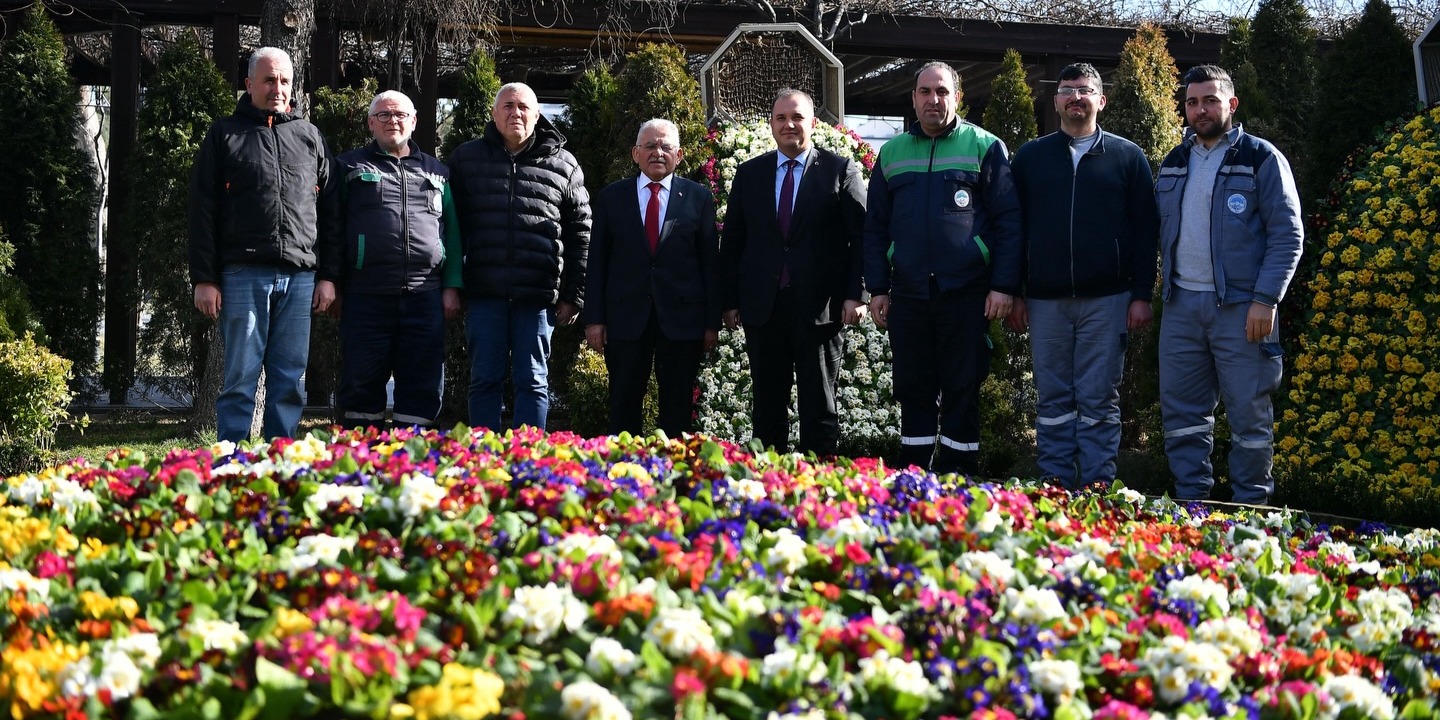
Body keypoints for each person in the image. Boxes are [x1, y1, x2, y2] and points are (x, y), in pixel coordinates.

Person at [863, 61, 1022, 476]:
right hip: (910, 294)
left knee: (961, 389)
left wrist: (1003, 285)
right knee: (913, 389)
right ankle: (913, 479)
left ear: (957, 96)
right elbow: (876, 226)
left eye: (942, 92)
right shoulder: (891, 153)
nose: (933, 100)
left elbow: (1009, 222)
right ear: (913, 98)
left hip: (967, 294)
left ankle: (958, 481)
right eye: (924, 92)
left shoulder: (985, 145)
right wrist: (878, 287)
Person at [1007, 63, 1159, 489]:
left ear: (1101, 100)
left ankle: (1097, 488)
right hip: (1044, 300)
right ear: (1055, 101)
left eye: (1085, 90)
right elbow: (1012, 228)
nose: (1076, 97)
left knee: (1098, 399)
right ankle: (1053, 485)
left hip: (1107, 300)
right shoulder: (1030, 157)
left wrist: (1141, 294)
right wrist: (1015, 291)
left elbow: (1147, 231)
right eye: (1067, 89)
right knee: (1053, 399)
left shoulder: (1128, 157)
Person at [1156, 64, 1303, 504]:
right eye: (1193, 102)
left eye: (1210, 100)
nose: (1201, 110)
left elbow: (1288, 234)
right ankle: (1192, 505)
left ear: (1232, 104)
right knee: (1182, 416)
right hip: (1181, 307)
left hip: (1242, 310)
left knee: (1249, 415)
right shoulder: (1174, 161)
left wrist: (1266, 299)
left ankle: (1251, 512)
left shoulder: (1261, 157)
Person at [189, 46, 341, 442]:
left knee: (290, 380)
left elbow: (331, 212)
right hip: (242, 274)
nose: (278, 87)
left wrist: (328, 276)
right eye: (270, 79)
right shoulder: (224, 134)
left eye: (285, 80)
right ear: (249, 83)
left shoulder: (309, 137)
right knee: (240, 377)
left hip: (301, 277)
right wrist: (204, 278)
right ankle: (233, 464)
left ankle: (283, 463)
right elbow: (202, 210)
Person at [720, 89, 868, 455]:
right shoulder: (749, 174)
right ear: (771, 124)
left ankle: (818, 490)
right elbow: (734, 241)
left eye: (797, 117)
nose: (789, 125)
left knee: (819, 406)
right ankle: (767, 487)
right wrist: (730, 300)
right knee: (767, 406)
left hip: (819, 311)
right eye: (781, 118)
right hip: (763, 310)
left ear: (812, 123)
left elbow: (862, 237)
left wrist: (857, 294)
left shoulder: (839, 169)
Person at [447, 82, 591, 431]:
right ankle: (484, 459)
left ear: (537, 115)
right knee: (484, 381)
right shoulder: (466, 159)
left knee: (533, 382)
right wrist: (452, 283)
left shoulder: (564, 164)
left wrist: (574, 295)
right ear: (494, 114)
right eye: (508, 106)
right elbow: (448, 227)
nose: (516, 113)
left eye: (524, 106)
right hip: (484, 294)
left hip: (538, 298)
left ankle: (530, 463)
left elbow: (580, 234)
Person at [333, 90, 461, 429]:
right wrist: (332, 280)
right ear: (371, 123)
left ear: (414, 121)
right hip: (365, 295)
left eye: (401, 115)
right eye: (385, 115)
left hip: (425, 296)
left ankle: (413, 460)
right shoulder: (347, 166)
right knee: (361, 381)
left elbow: (453, 232)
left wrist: (452, 286)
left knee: (423, 383)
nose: (394, 121)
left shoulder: (439, 172)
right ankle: (359, 462)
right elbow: (332, 228)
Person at [582, 119, 719, 436]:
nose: (658, 152)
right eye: (650, 146)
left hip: (682, 320)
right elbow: (598, 262)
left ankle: (674, 476)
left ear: (679, 154)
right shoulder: (612, 198)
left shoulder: (698, 198)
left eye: (666, 146)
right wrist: (594, 320)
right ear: (635, 153)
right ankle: (625, 476)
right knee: (623, 404)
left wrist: (711, 323)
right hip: (626, 317)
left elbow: (710, 263)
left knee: (678, 408)